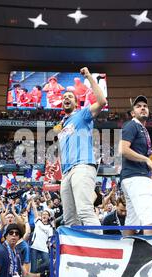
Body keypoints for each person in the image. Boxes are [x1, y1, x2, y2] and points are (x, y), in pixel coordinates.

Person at [58, 67, 107, 235]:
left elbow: (102, 102)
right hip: (66, 173)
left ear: (76, 102)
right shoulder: (62, 125)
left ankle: (99, 248)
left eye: (70, 96)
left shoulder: (83, 114)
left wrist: (88, 77)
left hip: (82, 166)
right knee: (70, 218)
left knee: (85, 210)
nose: (66, 98)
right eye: (64, 97)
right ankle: (77, 254)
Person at [119, 95, 152, 235]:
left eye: (145, 106)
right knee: (151, 217)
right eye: (138, 106)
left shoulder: (143, 129)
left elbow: (144, 152)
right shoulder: (132, 125)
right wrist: (146, 160)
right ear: (132, 113)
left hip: (132, 177)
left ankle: (128, 250)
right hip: (137, 177)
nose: (143, 108)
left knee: (132, 220)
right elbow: (123, 150)